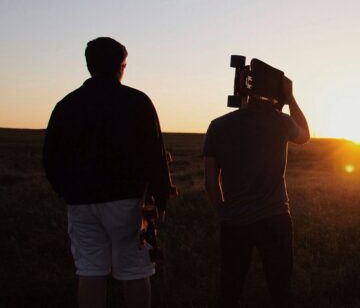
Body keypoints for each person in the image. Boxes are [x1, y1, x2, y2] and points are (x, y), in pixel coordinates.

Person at [43, 37, 173, 308]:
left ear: (89, 65)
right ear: (120, 66)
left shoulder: (66, 105)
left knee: (90, 272)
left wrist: (67, 192)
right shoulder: (137, 102)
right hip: (128, 202)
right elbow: (155, 154)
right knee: (135, 272)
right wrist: (160, 198)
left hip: (81, 202)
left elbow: (50, 158)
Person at [203, 75, 310, 308]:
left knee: (230, 290)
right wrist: (291, 97)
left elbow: (210, 181)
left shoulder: (218, 125)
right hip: (275, 219)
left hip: (234, 222)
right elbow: (305, 135)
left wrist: (223, 211)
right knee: (280, 289)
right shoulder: (281, 122)